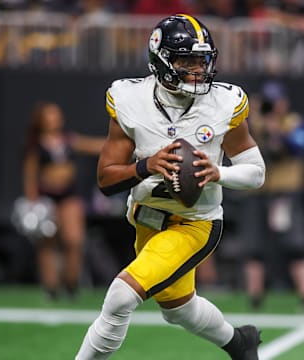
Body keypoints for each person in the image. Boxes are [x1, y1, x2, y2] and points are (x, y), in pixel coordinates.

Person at [75, 14, 266, 359]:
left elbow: (256, 172)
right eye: (186, 60)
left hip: (196, 222)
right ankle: (241, 344)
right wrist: (146, 166)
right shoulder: (130, 99)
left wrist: (218, 172)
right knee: (178, 308)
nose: (197, 69)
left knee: (120, 296)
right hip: (147, 218)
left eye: (202, 60)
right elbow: (106, 179)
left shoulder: (224, 103)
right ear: (160, 60)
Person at [22, 101, 104, 299]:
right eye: (49, 115)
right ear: (40, 120)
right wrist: (33, 203)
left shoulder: (68, 140)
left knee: (74, 240)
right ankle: (51, 287)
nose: (55, 118)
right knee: (47, 244)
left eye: (56, 114)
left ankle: (71, 283)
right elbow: (30, 176)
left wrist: (123, 142)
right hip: (46, 198)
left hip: (69, 196)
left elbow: (95, 146)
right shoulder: (36, 145)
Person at [242, 80, 304, 309]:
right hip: (258, 192)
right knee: (254, 246)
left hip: (284, 193)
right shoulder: (254, 125)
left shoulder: (293, 123)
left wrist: (275, 129)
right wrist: (257, 119)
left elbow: (294, 147)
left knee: (294, 245)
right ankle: (255, 298)